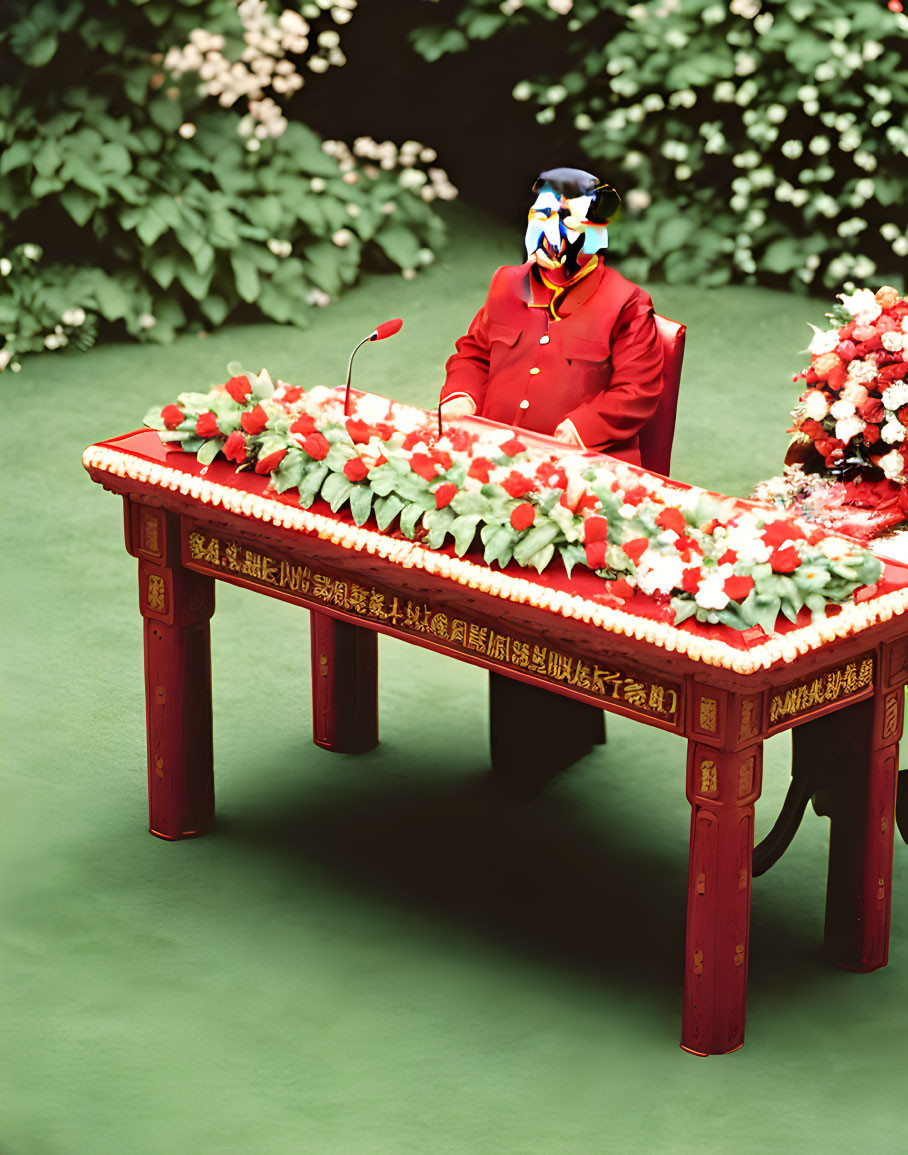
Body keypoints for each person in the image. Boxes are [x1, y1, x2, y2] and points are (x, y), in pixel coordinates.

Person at [440, 167, 664, 464]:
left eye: (567, 219)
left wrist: (583, 428)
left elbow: (637, 390)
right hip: (490, 451)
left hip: (580, 462)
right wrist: (461, 395)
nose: (550, 230)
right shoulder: (507, 283)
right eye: (541, 216)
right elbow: (475, 353)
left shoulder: (627, 303)